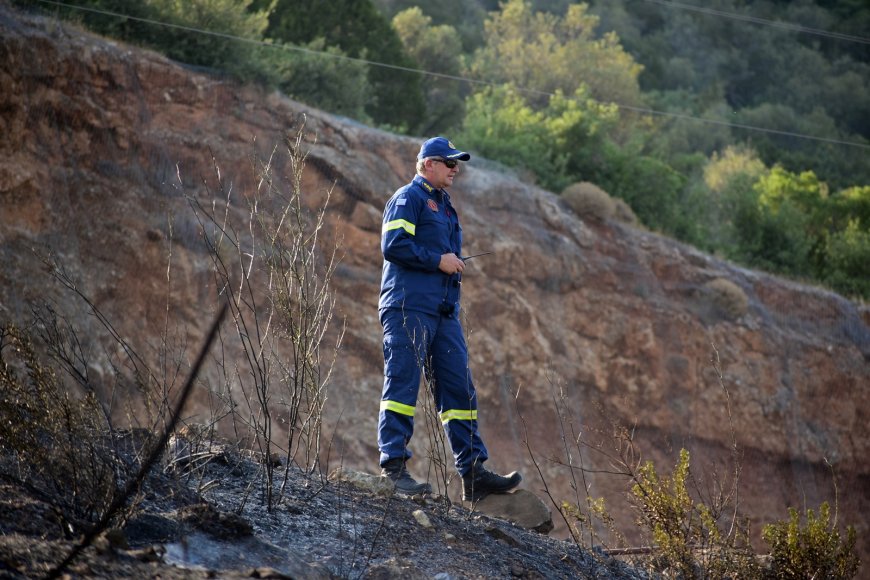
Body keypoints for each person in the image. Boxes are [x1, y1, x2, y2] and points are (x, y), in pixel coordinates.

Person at [377, 136, 522, 501]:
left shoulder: (444, 205)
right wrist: (437, 260)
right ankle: (393, 468)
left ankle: (473, 475)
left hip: (442, 314)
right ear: (427, 164)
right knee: (402, 385)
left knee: (459, 390)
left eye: (457, 163)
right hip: (408, 307)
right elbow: (392, 246)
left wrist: (447, 267)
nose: (456, 169)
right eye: (449, 162)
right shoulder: (408, 198)